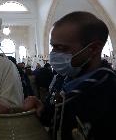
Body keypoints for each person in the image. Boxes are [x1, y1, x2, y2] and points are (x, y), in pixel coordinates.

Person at [33, 11, 116, 140]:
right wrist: (42, 109)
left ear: (93, 49)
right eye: (53, 47)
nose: (53, 54)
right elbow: (60, 116)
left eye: (61, 48)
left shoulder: (109, 90)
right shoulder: (67, 79)